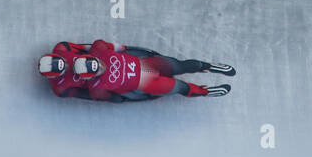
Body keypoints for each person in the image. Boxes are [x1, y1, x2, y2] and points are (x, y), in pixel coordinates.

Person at [42, 39, 235, 102]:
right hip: (144, 84)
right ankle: (205, 91)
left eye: (97, 63)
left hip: (147, 64)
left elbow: (121, 48)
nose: (101, 66)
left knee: (180, 65)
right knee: (179, 87)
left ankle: (209, 67)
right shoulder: (95, 86)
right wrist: (130, 97)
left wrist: (137, 52)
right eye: (97, 70)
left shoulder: (98, 49)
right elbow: (109, 98)